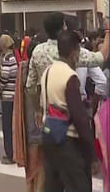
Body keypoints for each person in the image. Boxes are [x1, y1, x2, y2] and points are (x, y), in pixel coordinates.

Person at [42, 30, 95, 191]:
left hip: (49, 137)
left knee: (53, 186)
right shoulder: (70, 76)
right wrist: (92, 155)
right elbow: (79, 118)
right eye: (78, 51)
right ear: (73, 52)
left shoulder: (47, 72)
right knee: (81, 186)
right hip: (68, 142)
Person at [13, 38, 45, 192]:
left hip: (30, 130)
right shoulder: (38, 70)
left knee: (34, 175)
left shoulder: (24, 69)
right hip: (38, 131)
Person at [0, 34, 18, 165]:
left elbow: (4, 76)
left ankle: (9, 154)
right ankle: (12, 152)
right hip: (13, 95)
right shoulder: (14, 58)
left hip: (7, 96)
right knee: (11, 126)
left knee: (6, 127)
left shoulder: (7, 59)